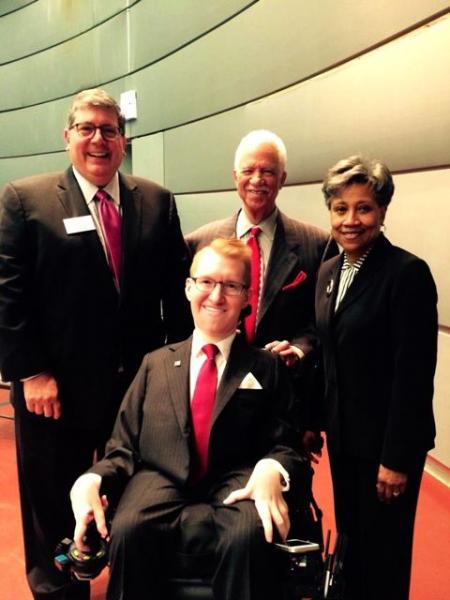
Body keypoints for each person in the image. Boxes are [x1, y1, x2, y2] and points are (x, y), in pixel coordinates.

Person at [0, 88, 192, 600]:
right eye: (86, 128)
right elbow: (8, 297)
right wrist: (32, 374)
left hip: (135, 391)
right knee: (51, 501)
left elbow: (177, 299)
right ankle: (58, 589)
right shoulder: (24, 200)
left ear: (123, 141)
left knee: (132, 498)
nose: (98, 139)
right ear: (67, 138)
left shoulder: (156, 201)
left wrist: (180, 375)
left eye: (109, 129)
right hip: (52, 391)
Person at [70, 238, 307, 600]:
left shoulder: (267, 366)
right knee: (130, 527)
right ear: (188, 288)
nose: (216, 296)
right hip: (160, 476)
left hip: (239, 479)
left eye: (231, 285)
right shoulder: (155, 363)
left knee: (249, 533)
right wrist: (91, 478)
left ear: (246, 297)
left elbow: (286, 443)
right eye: (207, 282)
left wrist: (272, 469)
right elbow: (123, 447)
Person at [315, 155, 438, 600]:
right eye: (340, 208)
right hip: (345, 442)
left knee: (384, 557)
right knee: (351, 550)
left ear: (383, 211)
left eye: (363, 208)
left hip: (387, 449)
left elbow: (413, 376)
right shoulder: (330, 271)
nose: (351, 220)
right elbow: (329, 353)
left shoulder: (407, 275)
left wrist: (396, 459)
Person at [186, 130, 337, 368]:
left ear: (282, 178)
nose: (257, 180)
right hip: (214, 376)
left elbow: (324, 320)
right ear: (235, 177)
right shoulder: (198, 243)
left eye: (267, 171)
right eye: (248, 171)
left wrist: (299, 348)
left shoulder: (318, 245)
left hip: (285, 384)